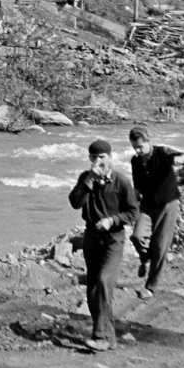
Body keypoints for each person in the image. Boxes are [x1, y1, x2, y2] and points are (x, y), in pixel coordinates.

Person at [68, 139, 140, 351]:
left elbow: (132, 212)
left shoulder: (121, 182)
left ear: (110, 157)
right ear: (89, 158)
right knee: (93, 288)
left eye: (102, 157)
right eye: (94, 157)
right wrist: (87, 182)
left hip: (113, 238)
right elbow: (75, 202)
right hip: (91, 236)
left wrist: (112, 220)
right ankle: (108, 337)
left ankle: (100, 336)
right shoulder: (86, 178)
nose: (98, 161)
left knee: (103, 281)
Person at [128, 126, 184, 298]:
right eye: (134, 147)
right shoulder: (135, 161)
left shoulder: (162, 153)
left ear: (148, 142)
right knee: (137, 237)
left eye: (140, 147)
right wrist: (130, 201)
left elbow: (179, 156)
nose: (138, 151)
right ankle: (145, 260)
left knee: (160, 246)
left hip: (167, 204)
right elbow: (137, 187)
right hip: (147, 205)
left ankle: (151, 287)